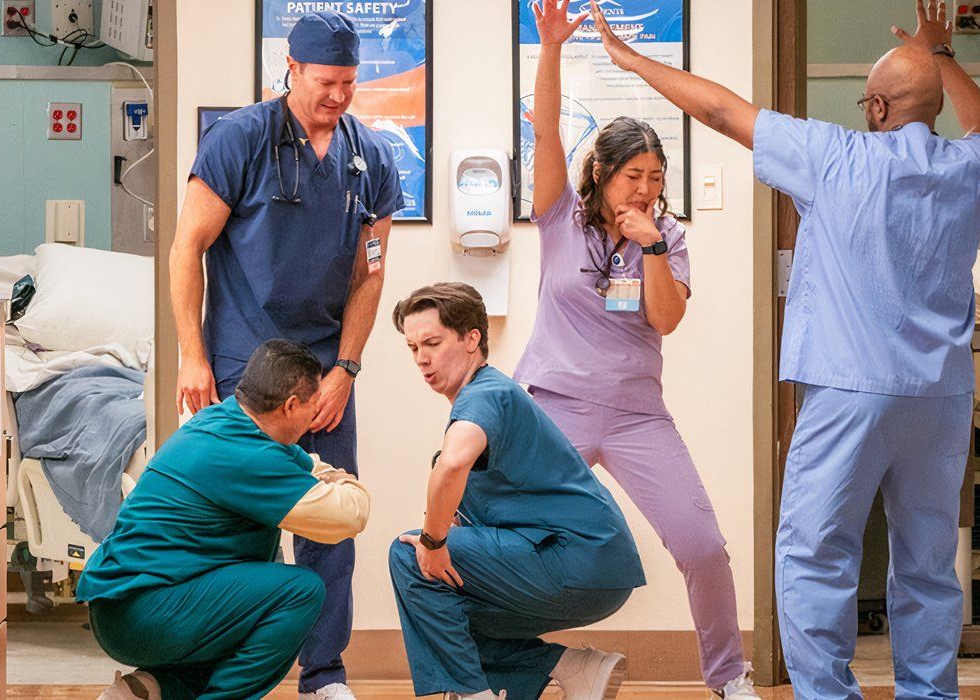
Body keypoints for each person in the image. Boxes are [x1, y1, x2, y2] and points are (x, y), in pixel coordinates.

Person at [588, 1, 980, 697]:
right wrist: (943, 54)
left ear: (873, 107)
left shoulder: (835, 158)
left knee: (815, 556)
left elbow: (722, 110)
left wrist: (631, 61)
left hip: (849, 391)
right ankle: (929, 693)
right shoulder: (969, 169)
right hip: (941, 397)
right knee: (928, 562)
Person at [515, 3, 758, 697]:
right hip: (550, 406)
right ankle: (523, 665)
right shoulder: (560, 214)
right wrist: (552, 48)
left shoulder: (667, 236)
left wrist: (650, 241)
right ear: (602, 172)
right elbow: (545, 125)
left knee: (702, 546)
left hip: (634, 414)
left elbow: (666, 318)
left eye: (656, 176)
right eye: (634, 177)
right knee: (500, 535)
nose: (647, 189)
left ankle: (728, 677)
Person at [169, 10, 404, 699]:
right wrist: (192, 354)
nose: (337, 95)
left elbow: (372, 272)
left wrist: (347, 369)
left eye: (350, 83)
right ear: (292, 69)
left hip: (328, 367)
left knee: (328, 515)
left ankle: (324, 675)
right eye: (325, 81)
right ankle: (224, 670)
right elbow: (188, 248)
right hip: (247, 357)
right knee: (241, 521)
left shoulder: (372, 156)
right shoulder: (237, 140)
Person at [387, 282, 646, 700]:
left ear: (472, 338)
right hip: (594, 570)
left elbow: (453, 464)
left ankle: (474, 695)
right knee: (441, 605)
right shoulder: (488, 398)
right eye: (413, 347)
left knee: (410, 554)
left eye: (432, 342)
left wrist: (433, 541)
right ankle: (573, 667)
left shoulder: (485, 394)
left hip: (575, 559)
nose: (422, 358)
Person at [77, 339, 372, 699]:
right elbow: (351, 514)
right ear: (292, 406)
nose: (313, 420)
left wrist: (311, 466)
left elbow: (300, 460)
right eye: (312, 408)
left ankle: (146, 690)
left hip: (127, 607)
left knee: (254, 596)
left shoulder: (224, 420)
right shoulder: (250, 458)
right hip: (142, 615)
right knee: (298, 592)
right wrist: (342, 477)